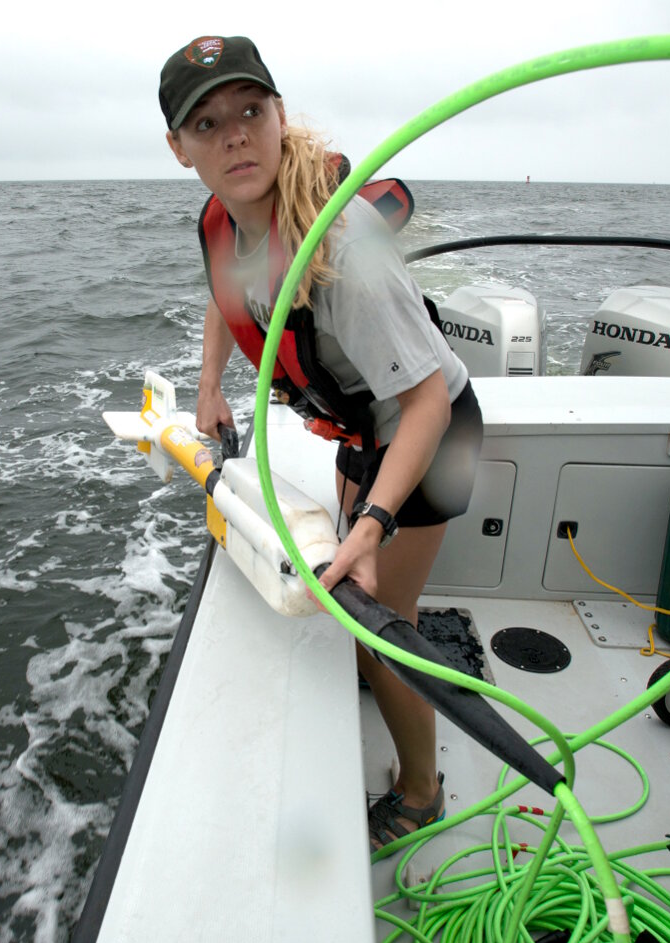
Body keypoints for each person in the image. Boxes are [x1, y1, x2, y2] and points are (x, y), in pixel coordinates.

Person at [159, 35, 483, 850]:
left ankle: (420, 790)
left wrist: (371, 523)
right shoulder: (225, 220)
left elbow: (423, 405)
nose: (234, 135)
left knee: (383, 626)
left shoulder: (342, 243)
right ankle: (379, 664)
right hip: (368, 428)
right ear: (178, 148)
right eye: (207, 123)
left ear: (276, 115)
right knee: (358, 599)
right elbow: (225, 294)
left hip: (430, 428)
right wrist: (206, 386)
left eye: (250, 111)